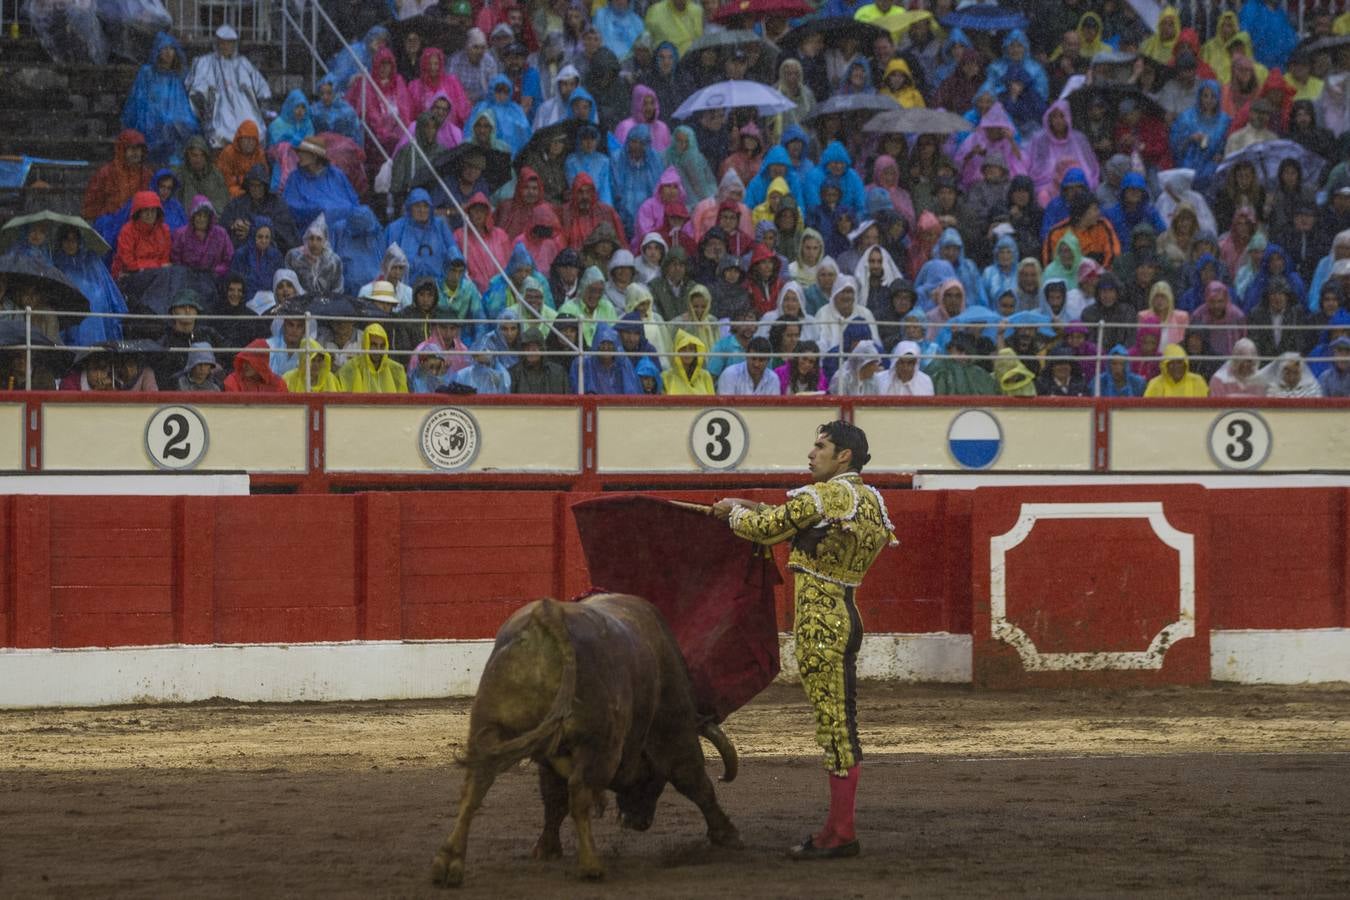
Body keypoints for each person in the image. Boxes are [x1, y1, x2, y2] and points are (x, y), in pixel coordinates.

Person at [712, 421, 896, 860]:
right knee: (843, 722)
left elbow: (767, 529)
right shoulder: (870, 501)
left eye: (821, 447)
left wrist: (731, 514)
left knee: (834, 727)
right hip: (849, 615)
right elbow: (797, 526)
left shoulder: (824, 495)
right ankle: (838, 826)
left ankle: (841, 833)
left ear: (843, 456)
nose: (812, 454)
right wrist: (748, 506)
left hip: (820, 625)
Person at [185, 25, 272, 150]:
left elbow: (260, 85)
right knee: (220, 132)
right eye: (223, 43)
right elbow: (198, 88)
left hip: (244, 107)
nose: (226, 46)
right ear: (217, 43)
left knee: (255, 129)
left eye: (230, 43)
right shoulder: (206, 62)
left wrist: (263, 99)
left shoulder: (243, 62)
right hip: (218, 107)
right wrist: (205, 102)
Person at [122, 31, 199, 165]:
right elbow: (139, 99)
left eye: (171, 49)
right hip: (151, 122)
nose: (168, 53)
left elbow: (183, 106)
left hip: (173, 125)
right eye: (164, 49)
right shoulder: (147, 73)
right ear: (157, 52)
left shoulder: (179, 76)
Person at [338, 323, 409, 393]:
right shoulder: (350, 369)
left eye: (382, 346)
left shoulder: (396, 370)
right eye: (374, 345)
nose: (378, 351)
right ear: (366, 344)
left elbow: (404, 401)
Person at [1144, 343, 1210, 397]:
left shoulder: (1197, 381)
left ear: (1185, 364)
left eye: (1179, 362)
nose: (1176, 366)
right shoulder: (1155, 384)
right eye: (1171, 363)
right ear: (1165, 366)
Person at [223, 338, 289, 392]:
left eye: (249, 362)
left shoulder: (278, 383)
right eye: (243, 361)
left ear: (261, 363)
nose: (244, 366)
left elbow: (285, 406)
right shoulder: (233, 381)